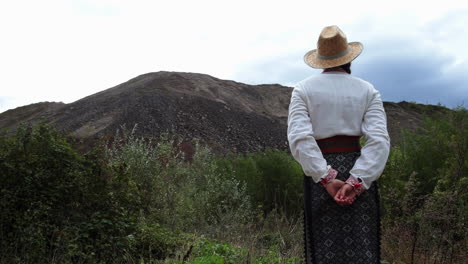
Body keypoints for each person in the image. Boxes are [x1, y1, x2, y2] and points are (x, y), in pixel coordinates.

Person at [287, 25, 390, 264]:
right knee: (361, 244)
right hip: (360, 168)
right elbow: (379, 141)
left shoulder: (303, 90)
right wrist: (357, 181)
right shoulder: (368, 91)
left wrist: (326, 177)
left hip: (320, 173)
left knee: (324, 249)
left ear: (321, 59)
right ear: (348, 58)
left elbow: (299, 138)